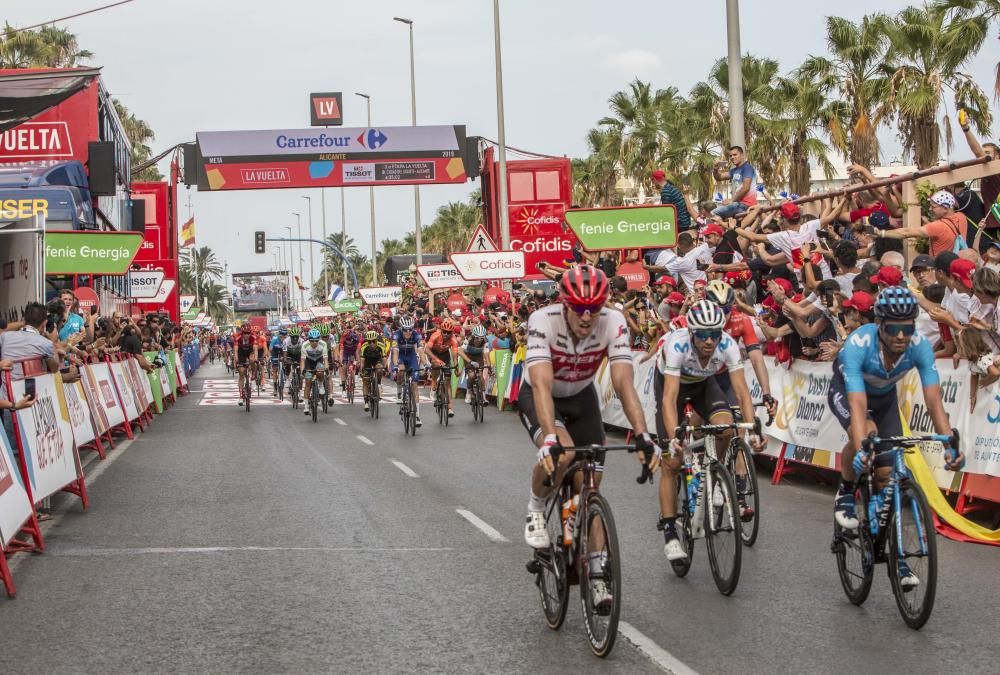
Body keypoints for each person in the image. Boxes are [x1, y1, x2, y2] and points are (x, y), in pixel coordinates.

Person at [520, 265, 660, 609]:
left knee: (590, 488)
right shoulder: (543, 320)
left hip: (582, 397)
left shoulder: (613, 322)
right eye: (579, 308)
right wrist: (550, 439)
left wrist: (642, 435)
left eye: (593, 308)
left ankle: (597, 575)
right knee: (564, 454)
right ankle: (536, 508)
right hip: (542, 394)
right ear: (564, 302)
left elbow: (624, 383)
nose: (586, 316)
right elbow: (540, 382)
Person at [828, 287, 962, 587]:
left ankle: (897, 557)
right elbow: (858, 405)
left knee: (887, 473)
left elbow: (933, 400)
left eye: (907, 328)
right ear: (880, 325)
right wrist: (863, 446)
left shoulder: (919, 347)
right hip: (849, 392)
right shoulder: (858, 345)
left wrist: (949, 443)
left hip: (885, 398)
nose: (901, 336)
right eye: (893, 329)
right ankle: (847, 490)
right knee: (867, 436)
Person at [655, 300, 764, 561]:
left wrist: (752, 430)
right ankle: (670, 532)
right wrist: (674, 439)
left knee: (727, 428)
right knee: (672, 462)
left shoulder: (727, 344)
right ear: (692, 333)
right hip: (673, 386)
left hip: (704, 383)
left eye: (714, 334)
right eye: (703, 335)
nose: (709, 340)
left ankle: (714, 472)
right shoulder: (677, 346)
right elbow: (669, 399)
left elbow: (741, 391)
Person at [874, 190, 968, 256]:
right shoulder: (961, 217)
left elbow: (906, 232)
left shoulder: (938, 227)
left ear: (945, 209)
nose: (930, 209)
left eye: (933, 207)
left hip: (941, 268)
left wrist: (882, 233)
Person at [391, 315, 424, 427]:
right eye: (406, 330)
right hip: (400, 355)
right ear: (401, 328)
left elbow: (420, 351)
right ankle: (400, 392)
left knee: (414, 384)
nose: (408, 332)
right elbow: (395, 352)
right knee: (401, 371)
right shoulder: (396, 335)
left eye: (410, 329)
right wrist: (395, 365)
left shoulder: (417, 335)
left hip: (411, 356)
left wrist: (426, 364)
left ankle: (417, 415)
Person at [424, 318, 460, 418]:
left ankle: (449, 408)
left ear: (451, 332)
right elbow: (426, 350)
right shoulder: (435, 335)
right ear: (441, 330)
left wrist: (456, 366)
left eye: (449, 332)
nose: (446, 334)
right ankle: (434, 386)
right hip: (433, 354)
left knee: (448, 379)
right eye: (444, 332)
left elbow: (455, 354)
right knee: (435, 365)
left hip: (445, 355)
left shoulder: (453, 339)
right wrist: (435, 359)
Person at [712, 145, 757, 219]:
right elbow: (719, 177)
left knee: (712, 214)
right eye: (730, 156)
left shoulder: (747, 167)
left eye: (735, 154)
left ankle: (703, 228)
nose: (732, 157)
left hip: (746, 205)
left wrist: (731, 200)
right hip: (738, 204)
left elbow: (746, 188)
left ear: (742, 155)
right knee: (716, 217)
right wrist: (715, 169)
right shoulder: (734, 170)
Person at [460, 324, 491, 404]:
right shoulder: (468, 338)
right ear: (474, 335)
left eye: (481, 338)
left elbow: (486, 354)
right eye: (477, 338)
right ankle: (469, 391)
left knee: (480, 375)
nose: (479, 340)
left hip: (478, 356)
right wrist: (470, 362)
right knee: (471, 375)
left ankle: (483, 397)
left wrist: (489, 365)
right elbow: (460, 352)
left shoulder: (485, 341)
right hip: (468, 356)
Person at [301, 328, 330, 414]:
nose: (314, 343)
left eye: (316, 340)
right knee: (308, 383)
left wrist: (327, 368)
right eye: (312, 340)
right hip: (309, 362)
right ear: (309, 339)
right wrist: (303, 371)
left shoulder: (323, 344)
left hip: (319, 360)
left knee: (320, 371)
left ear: (319, 339)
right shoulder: (305, 345)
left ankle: (321, 386)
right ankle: (306, 406)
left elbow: (325, 359)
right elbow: (302, 360)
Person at [359, 330, 385, 413]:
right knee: (366, 380)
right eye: (369, 342)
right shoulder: (364, 346)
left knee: (379, 369)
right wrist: (361, 370)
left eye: (374, 341)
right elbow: (362, 360)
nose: (372, 343)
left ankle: (379, 383)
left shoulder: (381, 345)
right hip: (367, 361)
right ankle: (366, 401)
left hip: (377, 360)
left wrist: (385, 368)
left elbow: (384, 358)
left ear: (376, 340)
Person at [282, 327, 303, 398]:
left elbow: (304, 354)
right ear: (290, 336)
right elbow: (285, 353)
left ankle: (300, 392)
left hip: (298, 354)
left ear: (298, 336)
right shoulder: (286, 341)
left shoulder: (302, 341)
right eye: (293, 337)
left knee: (300, 373)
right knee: (288, 364)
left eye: (296, 337)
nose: (295, 338)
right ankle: (287, 379)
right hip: (289, 354)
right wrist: (285, 360)